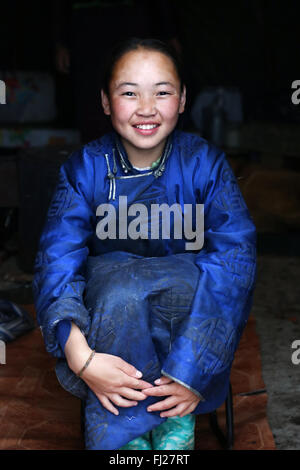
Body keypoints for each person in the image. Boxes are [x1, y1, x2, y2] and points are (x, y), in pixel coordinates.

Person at [33, 37, 257, 450]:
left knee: (197, 280)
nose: (147, 107)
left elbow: (234, 258)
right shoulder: (84, 169)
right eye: (129, 92)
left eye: (163, 91)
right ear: (105, 101)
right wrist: (84, 360)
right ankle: (127, 436)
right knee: (120, 290)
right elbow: (56, 261)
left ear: (184, 99)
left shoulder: (205, 164)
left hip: (187, 331)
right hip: (112, 327)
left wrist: (193, 372)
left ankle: (175, 422)